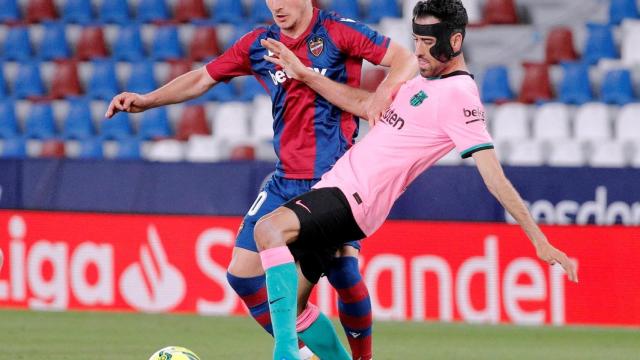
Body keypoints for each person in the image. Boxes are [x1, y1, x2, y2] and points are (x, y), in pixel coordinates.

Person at [254, 0, 579, 358]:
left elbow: (494, 177)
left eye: (428, 41)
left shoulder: (460, 96)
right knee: (294, 307)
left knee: (269, 231)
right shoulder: (421, 83)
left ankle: (283, 354)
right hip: (337, 185)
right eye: (416, 39)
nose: (419, 50)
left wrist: (539, 240)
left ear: (454, 42)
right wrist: (307, 75)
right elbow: (365, 106)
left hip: (357, 198)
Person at [104, 1, 417, 359]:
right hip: (285, 180)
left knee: (343, 272)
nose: (277, 6)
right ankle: (301, 353)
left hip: (335, 180)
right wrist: (148, 100)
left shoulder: (337, 30)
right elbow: (203, 77)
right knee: (242, 275)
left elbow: (404, 59)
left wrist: (380, 99)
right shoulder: (260, 43)